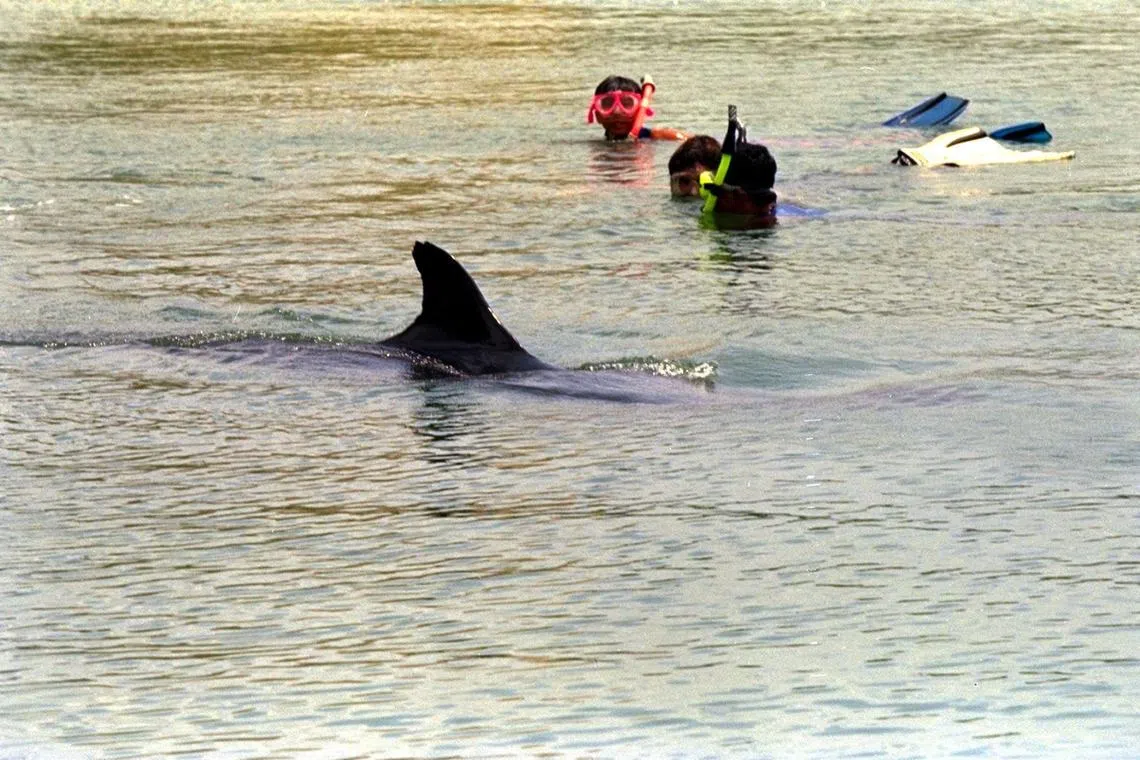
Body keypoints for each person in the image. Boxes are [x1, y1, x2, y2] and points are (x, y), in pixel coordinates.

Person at [586, 75, 687, 141]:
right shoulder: (596, 145)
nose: (617, 112)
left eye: (626, 104)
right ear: (597, 115)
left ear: (640, 110)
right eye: (608, 104)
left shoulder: (657, 136)